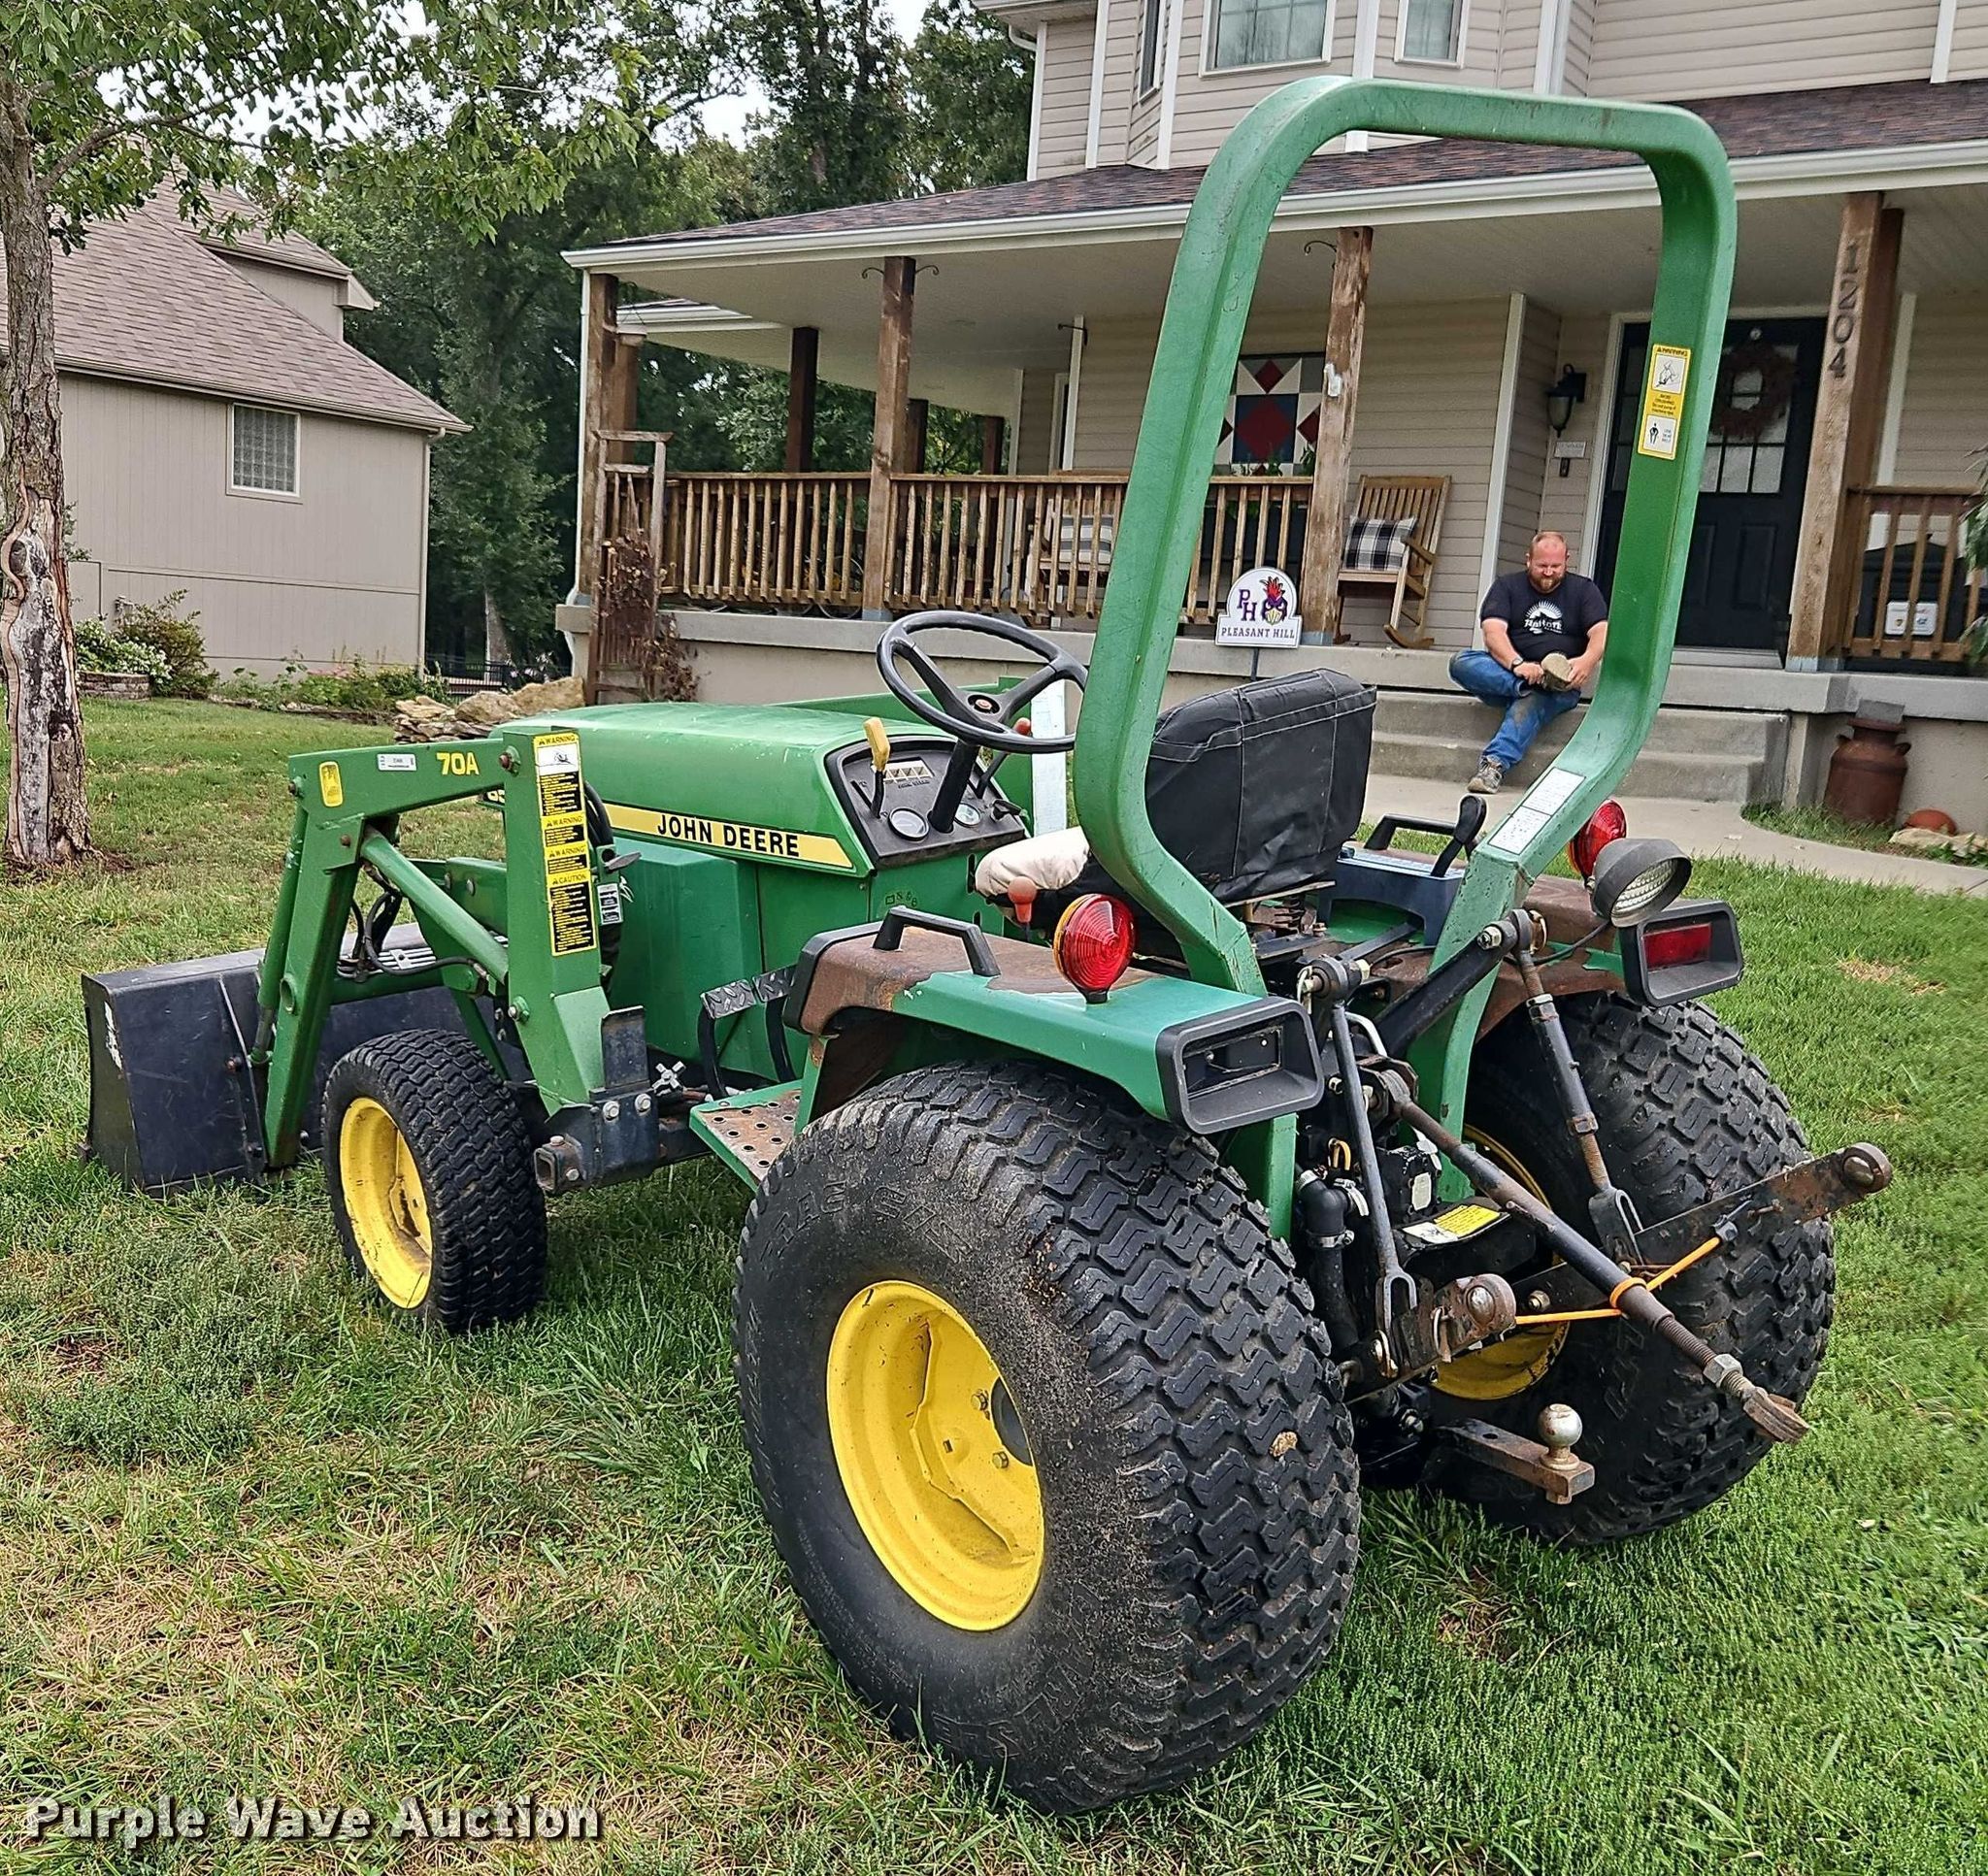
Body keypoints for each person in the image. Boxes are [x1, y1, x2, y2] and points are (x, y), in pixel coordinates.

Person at [1448, 531, 1608, 794]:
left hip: (1562, 683)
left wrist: (1587, 661)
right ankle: (1530, 686)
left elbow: (1601, 632)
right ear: (1528, 560)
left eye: (1556, 566)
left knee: (1531, 703)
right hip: (1512, 672)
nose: (1549, 572)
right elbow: (1493, 632)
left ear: (1567, 561)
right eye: (1542, 566)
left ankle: (1494, 765)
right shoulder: (1507, 586)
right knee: (1461, 662)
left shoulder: (1584, 590)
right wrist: (1518, 666)